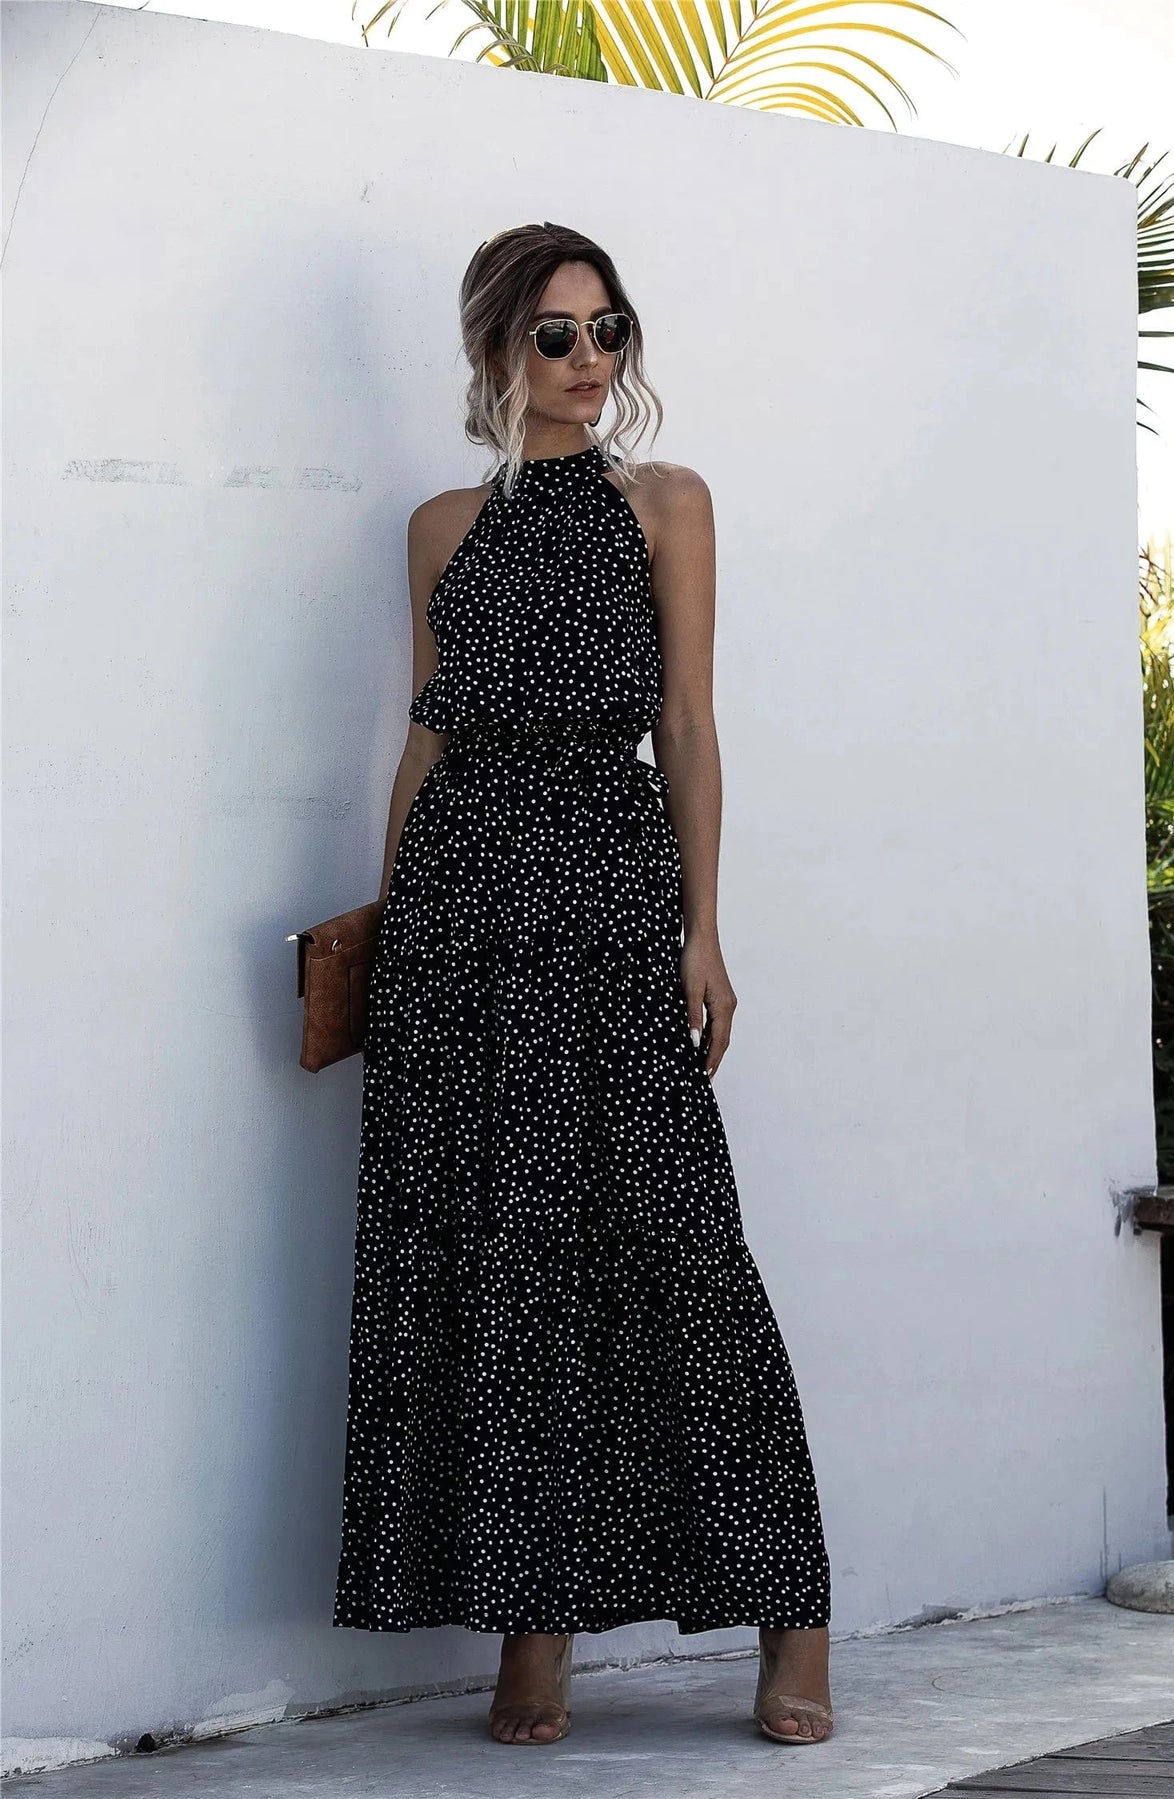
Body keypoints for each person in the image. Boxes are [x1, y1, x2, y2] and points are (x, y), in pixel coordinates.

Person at [331, 221, 835, 1749]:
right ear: (497, 348)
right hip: (460, 925)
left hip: (610, 899)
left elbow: (686, 724)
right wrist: (391, 927)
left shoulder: (665, 504)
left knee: (681, 1246)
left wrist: (704, 929)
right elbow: (426, 737)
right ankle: (532, 1626)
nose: (590, 357)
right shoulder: (439, 526)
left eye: (609, 328)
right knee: (500, 1266)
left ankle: (793, 1616)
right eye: (557, 333)